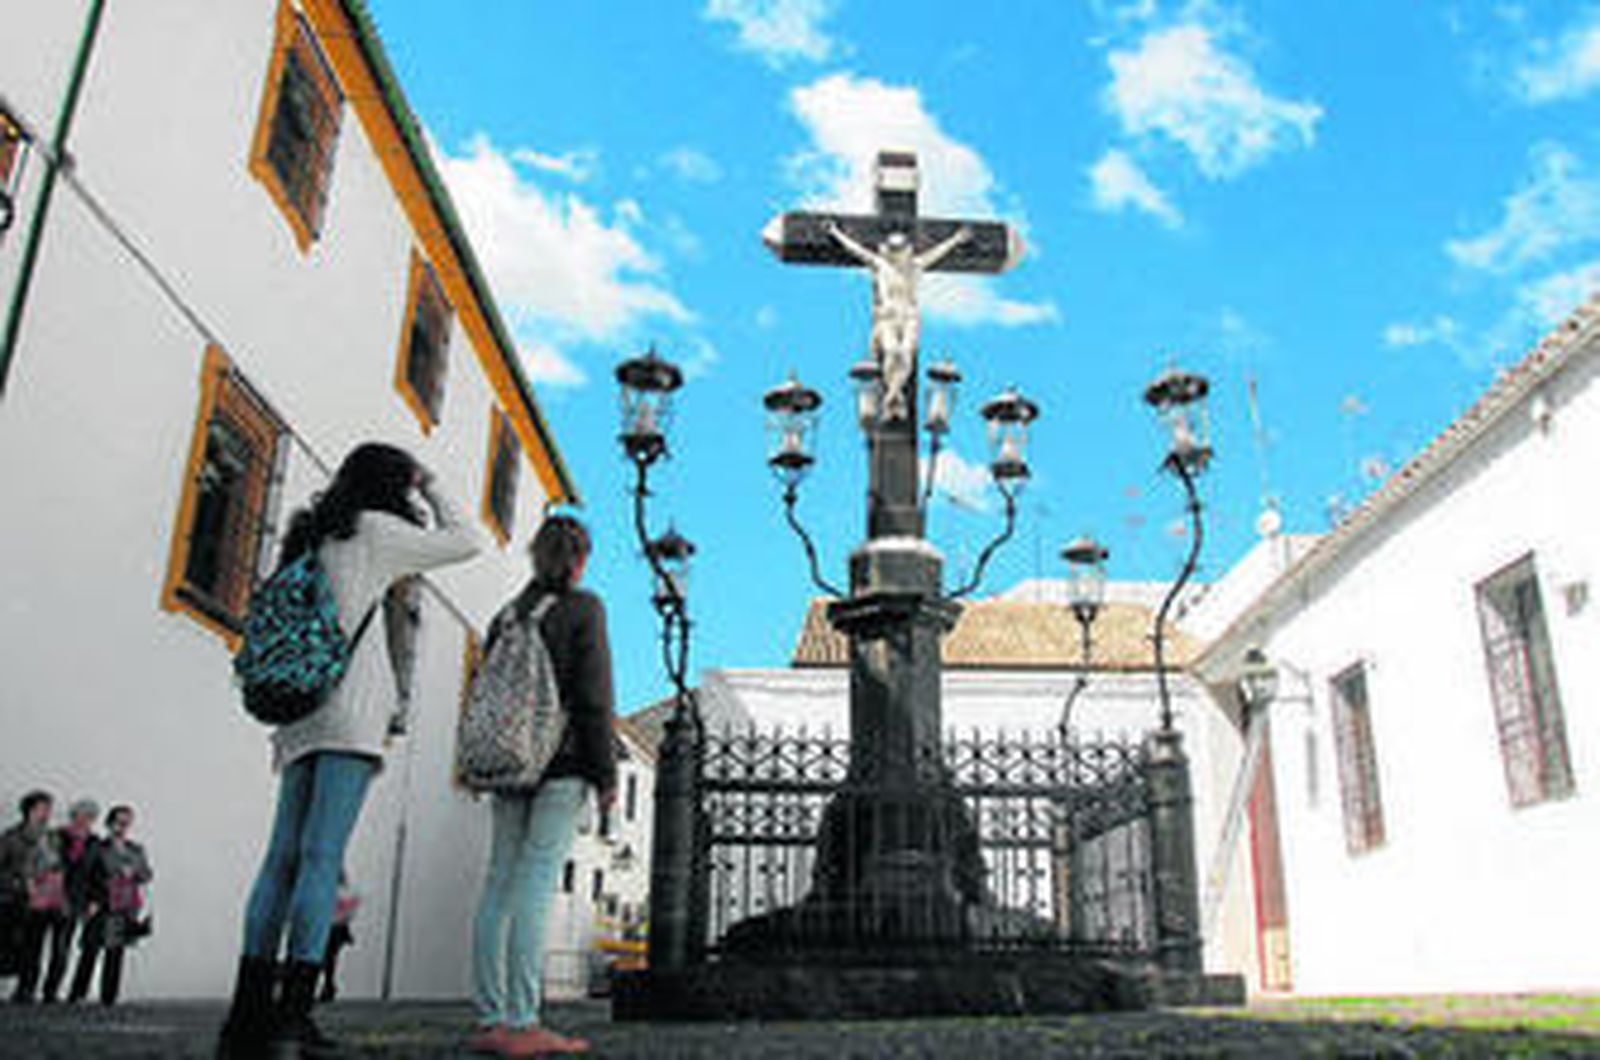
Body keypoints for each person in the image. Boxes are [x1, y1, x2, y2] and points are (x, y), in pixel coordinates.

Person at [216, 443, 480, 1059]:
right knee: (321, 857)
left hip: (299, 710)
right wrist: (434, 481)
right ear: (395, 485)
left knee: (279, 857)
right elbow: (466, 540)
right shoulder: (377, 532)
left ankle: (245, 1015)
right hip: (351, 707)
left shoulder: (311, 535)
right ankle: (292, 1017)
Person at [469, 515, 616, 1057]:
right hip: (563, 762)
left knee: (497, 883)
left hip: (507, 763)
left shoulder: (505, 616)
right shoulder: (584, 609)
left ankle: (490, 1019)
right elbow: (594, 697)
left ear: (534, 555)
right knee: (535, 884)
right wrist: (605, 775)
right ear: (580, 559)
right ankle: (524, 1020)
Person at [823, 220, 969, 421]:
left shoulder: (916, 266)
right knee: (892, 352)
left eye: (900, 250)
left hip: (909, 317)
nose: (897, 254)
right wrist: (835, 233)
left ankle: (891, 397)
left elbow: (938, 253)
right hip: (887, 317)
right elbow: (856, 250)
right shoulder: (880, 265)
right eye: (894, 250)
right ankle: (895, 395)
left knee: (906, 353)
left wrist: (956, 239)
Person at [68, 804, 151, 1006]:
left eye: (126, 822)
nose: (122, 826)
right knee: (91, 949)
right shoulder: (97, 848)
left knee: (116, 951)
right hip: (101, 903)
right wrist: (87, 901)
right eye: (118, 821)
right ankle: (78, 994)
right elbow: (84, 875)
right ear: (110, 823)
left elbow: (147, 874)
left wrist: (134, 873)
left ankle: (109, 996)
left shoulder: (136, 849)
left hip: (124, 905)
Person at [0, 790, 58, 1003]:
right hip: (15, 900)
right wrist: (17, 883)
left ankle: (27, 989)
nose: (46, 813)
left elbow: (58, 866)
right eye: (42, 809)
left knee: (35, 946)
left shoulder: (52, 837)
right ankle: (10, 985)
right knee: (11, 944)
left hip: (43, 901)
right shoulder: (11, 836)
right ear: (29, 811)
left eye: (48, 809)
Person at [42, 798, 99, 1003]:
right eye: (81, 815)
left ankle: (51, 991)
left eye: (90, 816)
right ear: (73, 815)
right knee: (36, 946)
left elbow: (96, 875)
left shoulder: (94, 842)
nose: (85, 820)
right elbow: (47, 866)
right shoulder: (56, 836)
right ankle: (27, 988)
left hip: (76, 901)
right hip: (49, 898)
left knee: (62, 948)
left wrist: (94, 900)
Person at [318, 873, 359, 1004]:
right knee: (328, 959)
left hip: (332, 930)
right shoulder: (334, 893)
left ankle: (328, 986)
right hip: (333, 930)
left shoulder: (332, 893)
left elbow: (344, 915)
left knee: (327, 958)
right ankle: (328, 986)